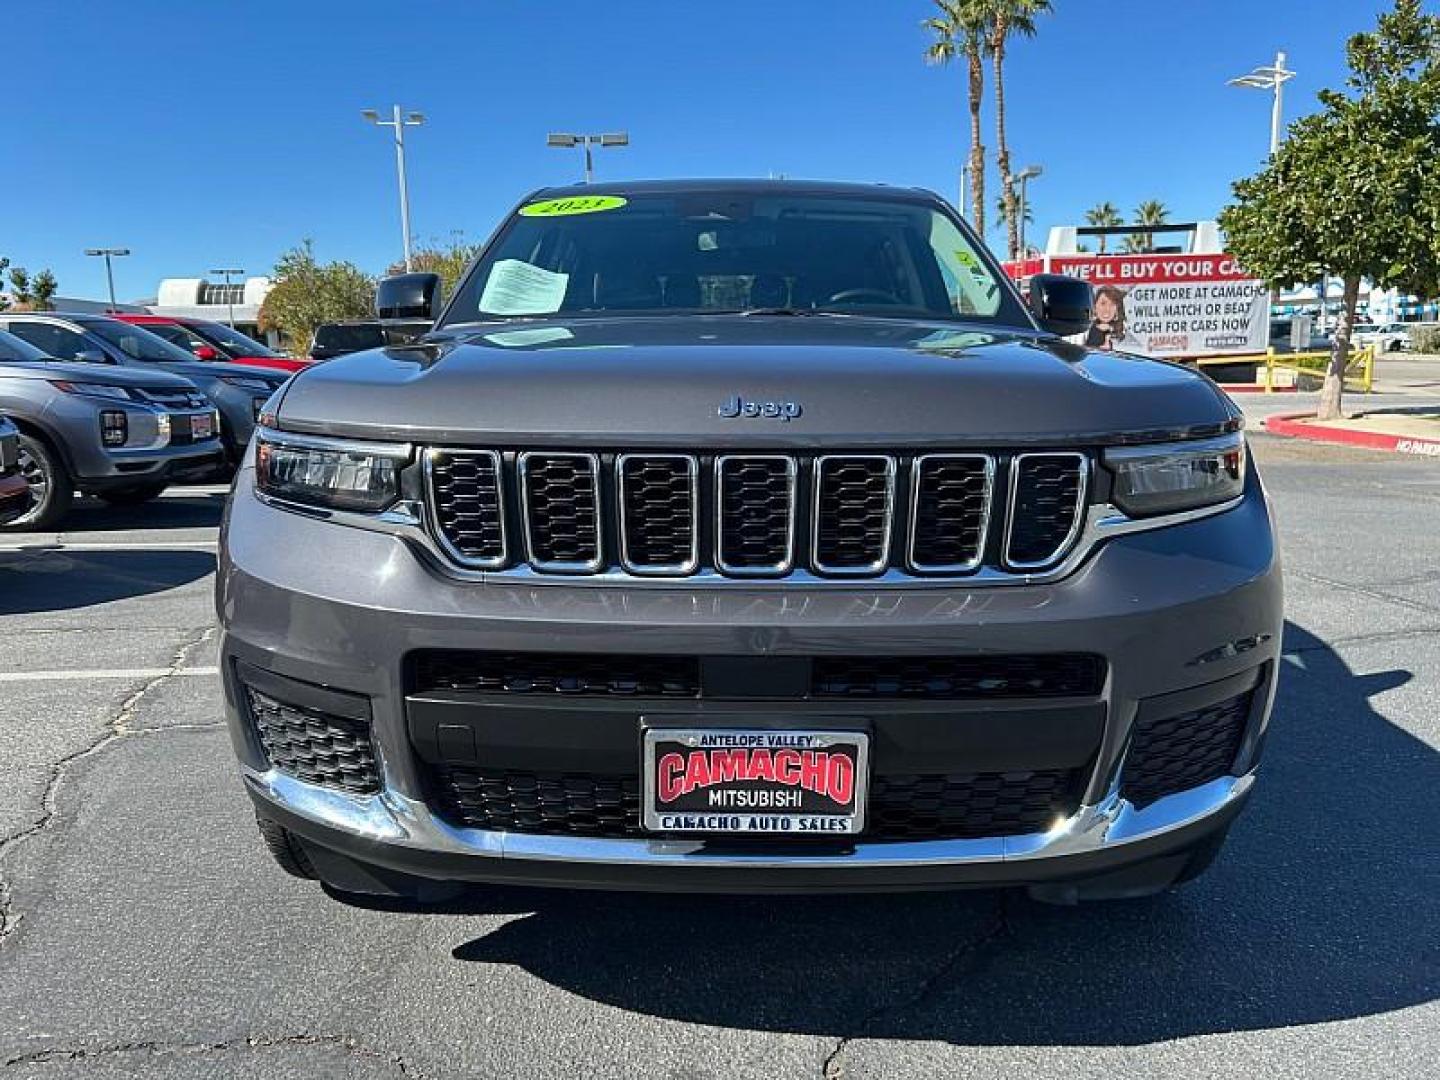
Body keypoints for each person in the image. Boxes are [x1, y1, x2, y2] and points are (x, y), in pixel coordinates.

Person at [1085, 286, 1131, 351]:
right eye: (1103, 303)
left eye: (1112, 304)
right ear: (1095, 306)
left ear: (1117, 309)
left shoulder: (1122, 333)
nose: (1107, 309)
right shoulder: (1086, 331)